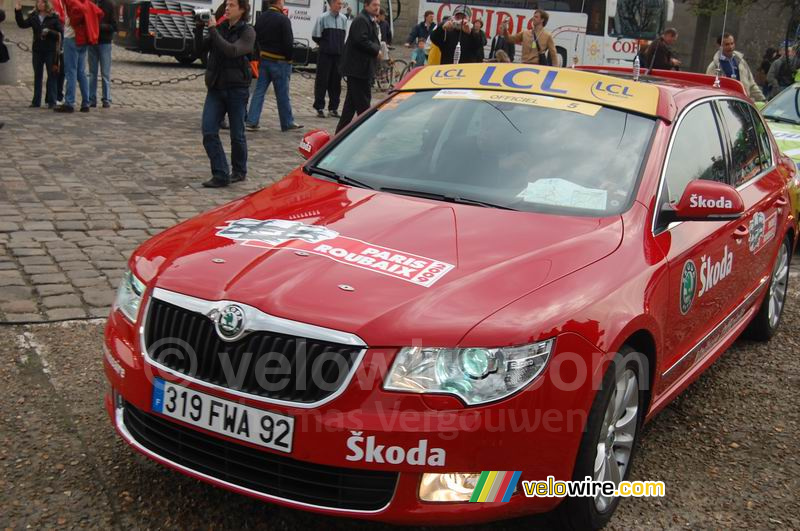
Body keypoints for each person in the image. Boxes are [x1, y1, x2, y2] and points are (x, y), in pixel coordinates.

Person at [196, 0, 255, 188]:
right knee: (208, 130)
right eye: (227, 4)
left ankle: (239, 170)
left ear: (242, 9)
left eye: (232, 5)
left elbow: (232, 51)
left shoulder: (248, 32)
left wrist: (213, 31)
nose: (227, 8)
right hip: (216, 87)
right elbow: (200, 50)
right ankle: (221, 173)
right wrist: (199, 29)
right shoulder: (220, 27)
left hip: (237, 89)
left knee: (237, 134)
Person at [245, 0, 301, 131]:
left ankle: (252, 120)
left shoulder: (261, 18)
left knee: (259, 92)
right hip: (281, 62)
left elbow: (256, 38)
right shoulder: (283, 19)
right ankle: (287, 122)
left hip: (265, 59)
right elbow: (288, 42)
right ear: (279, 2)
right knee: (282, 94)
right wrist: (290, 58)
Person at [335, 0, 381, 134]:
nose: (377, 8)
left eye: (378, 5)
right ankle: (368, 133)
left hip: (360, 69)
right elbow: (361, 40)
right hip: (358, 69)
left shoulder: (369, 20)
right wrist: (376, 50)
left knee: (350, 105)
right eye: (374, 5)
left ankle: (340, 134)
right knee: (363, 104)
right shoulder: (362, 20)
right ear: (366, 6)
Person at [56, 0, 103, 113]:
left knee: (71, 71)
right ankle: (86, 102)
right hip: (83, 39)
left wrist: (74, 22)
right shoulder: (86, 2)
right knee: (81, 72)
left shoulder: (72, 1)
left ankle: (69, 102)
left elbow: (79, 11)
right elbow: (98, 13)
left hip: (72, 38)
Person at [14, 0, 63, 108]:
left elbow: (60, 33)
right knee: (37, 76)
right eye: (38, 2)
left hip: (50, 51)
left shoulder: (53, 17)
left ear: (46, 4)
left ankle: (52, 101)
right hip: (37, 50)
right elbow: (22, 24)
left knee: (52, 76)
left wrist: (49, 32)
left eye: (42, 2)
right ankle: (36, 101)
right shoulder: (34, 16)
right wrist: (18, 11)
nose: (40, 4)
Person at [312, 0, 346, 118]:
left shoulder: (343, 19)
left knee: (336, 82)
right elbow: (315, 35)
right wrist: (326, 45)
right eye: (337, 3)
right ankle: (319, 107)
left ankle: (333, 108)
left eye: (341, 4)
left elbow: (344, 36)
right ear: (331, 4)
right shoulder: (322, 18)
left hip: (338, 55)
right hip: (325, 55)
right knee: (322, 81)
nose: (340, 6)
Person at [706, 33, 764, 101]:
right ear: (719, 46)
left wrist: (763, 99)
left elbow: (751, 84)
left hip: (743, 102)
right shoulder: (713, 67)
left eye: (732, 43)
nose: (730, 47)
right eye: (727, 44)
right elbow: (709, 90)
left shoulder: (741, 62)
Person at [87, 0, 114, 108]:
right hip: (92, 42)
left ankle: (106, 98)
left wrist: (99, 27)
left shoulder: (109, 5)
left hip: (104, 42)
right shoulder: (90, 3)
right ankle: (91, 98)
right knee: (92, 73)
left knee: (105, 73)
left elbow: (113, 26)